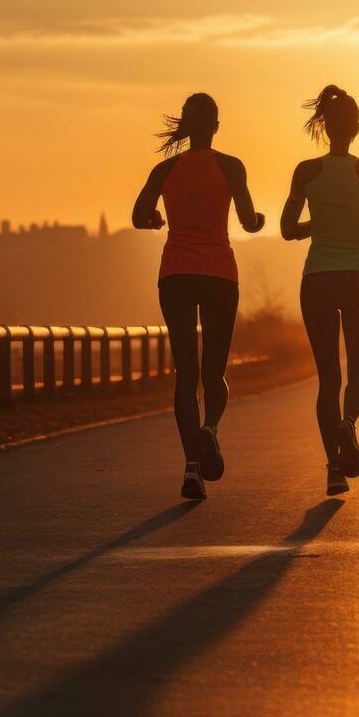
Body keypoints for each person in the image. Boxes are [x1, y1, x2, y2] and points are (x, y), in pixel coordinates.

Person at [132, 92, 265, 500]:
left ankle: (192, 469)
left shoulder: (165, 169)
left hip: (176, 275)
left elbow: (139, 216)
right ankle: (210, 429)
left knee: (186, 373)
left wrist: (157, 219)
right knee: (215, 370)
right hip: (219, 275)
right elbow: (248, 220)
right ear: (217, 126)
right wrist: (258, 220)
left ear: (187, 127)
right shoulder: (230, 166)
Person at [281, 85, 359, 496]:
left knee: (327, 378)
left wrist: (316, 226)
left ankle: (333, 468)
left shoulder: (306, 171)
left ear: (325, 128)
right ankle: (349, 425)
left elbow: (285, 229)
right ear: (357, 128)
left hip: (318, 278)